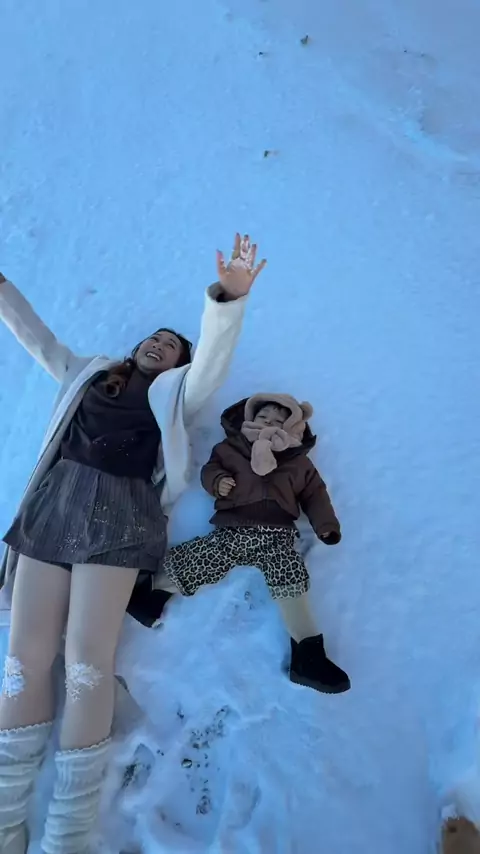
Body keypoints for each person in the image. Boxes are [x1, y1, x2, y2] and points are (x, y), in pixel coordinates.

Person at [0, 233, 266, 854]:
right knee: (24, 659)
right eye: (155, 338)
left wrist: (228, 300)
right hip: (54, 505)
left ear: (177, 365)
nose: (159, 344)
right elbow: (36, 337)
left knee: (87, 660)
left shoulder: (176, 395)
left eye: (172, 346)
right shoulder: (88, 374)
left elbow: (211, 364)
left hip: (122, 513)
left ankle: (68, 833)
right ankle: (5, 820)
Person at [160, 393, 351, 695]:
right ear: (250, 418)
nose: (268, 424)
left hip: (278, 535)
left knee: (290, 577)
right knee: (207, 558)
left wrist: (326, 526)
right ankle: (152, 590)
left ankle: (308, 656)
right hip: (236, 526)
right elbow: (210, 470)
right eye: (263, 417)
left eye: (278, 421)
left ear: (292, 427)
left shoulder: (298, 461)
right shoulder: (231, 448)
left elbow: (315, 495)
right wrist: (218, 481)